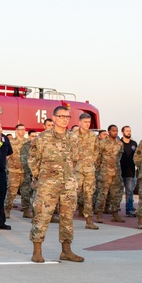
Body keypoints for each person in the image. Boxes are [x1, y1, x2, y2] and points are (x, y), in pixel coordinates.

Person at [29, 106, 82, 263]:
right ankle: (37, 251)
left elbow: (76, 158)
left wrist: (71, 177)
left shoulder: (73, 138)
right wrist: (40, 177)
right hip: (48, 184)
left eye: (67, 117)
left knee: (67, 217)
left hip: (68, 184)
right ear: (54, 118)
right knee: (42, 215)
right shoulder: (43, 138)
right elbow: (33, 159)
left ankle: (66, 251)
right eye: (62, 116)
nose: (65, 119)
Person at [73, 114, 99, 229]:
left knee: (89, 196)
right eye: (85, 122)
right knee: (73, 195)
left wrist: (91, 161)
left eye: (89, 122)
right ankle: (67, 220)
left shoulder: (93, 136)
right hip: (76, 170)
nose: (87, 124)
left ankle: (89, 221)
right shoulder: (73, 136)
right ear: (79, 122)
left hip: (89, 171)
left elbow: (96, 151)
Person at [94, 124, 125, 222]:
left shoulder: (120, 144)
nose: (115, 132)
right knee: (102, 194)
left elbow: (120, 157)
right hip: (104, 173)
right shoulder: (102, 143)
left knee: (116, 194)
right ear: (108, 131)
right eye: (113, 131)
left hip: (116, 173)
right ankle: (99, 214)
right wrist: (98, 170)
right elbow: (97, 158)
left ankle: (115, 214)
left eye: (116, 131)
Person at [4, 124, 28, 214]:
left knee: (26, 192)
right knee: (11, 192)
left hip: (25, 171)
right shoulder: (11, 142)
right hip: (13, 171)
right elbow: (6, 155)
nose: (22, 131)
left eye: (23, 129)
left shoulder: (28, 142)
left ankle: (26, 210)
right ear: (16, 131)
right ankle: (7, 209)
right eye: (20, 129)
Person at [120, 125, 137, 216]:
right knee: (117, 192)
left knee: (129, 193)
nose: (129, 132)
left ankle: (129, 210)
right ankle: (115, 210)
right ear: (122, 132)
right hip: (119, 171)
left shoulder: (134, 144)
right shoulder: (119, 143)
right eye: (127, 131)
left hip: (130, 172)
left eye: (130, 131)